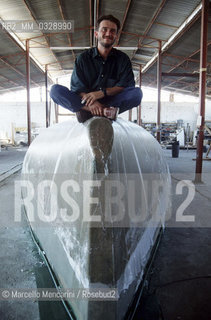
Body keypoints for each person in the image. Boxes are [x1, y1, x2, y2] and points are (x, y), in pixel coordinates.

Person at [50, 15, 142, 123]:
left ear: (116, 36)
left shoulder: (123, 59)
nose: (108, 34)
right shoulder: (83, 58)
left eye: (112, 31)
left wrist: (101, 93)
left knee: (137, 93)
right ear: (96, 33)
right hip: (86, 101)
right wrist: (92, 103)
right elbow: (77, 89)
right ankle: (98, 111)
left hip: (112, 101)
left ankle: (101, 110)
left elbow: (126, 86)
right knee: (55, 91)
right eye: (104, 30)